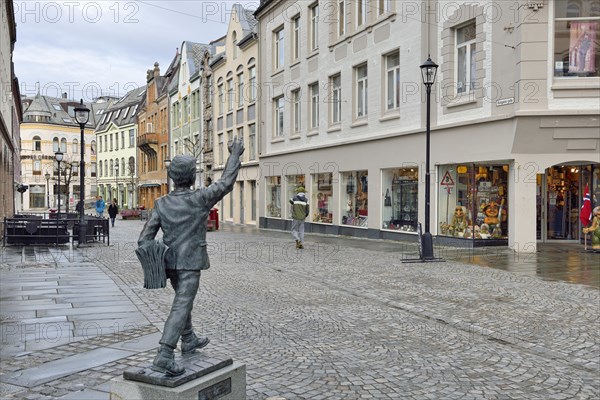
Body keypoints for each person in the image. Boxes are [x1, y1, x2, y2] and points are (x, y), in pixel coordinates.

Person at [138, 137, 244, 376]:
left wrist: (157, 261)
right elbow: (226, 182)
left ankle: (188, 338)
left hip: (170, 263)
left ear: (173, 177)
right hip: (190, 262)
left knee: (182, 299)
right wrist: (234, 155)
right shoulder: (200, 199)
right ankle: (165, 353)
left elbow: (144, 239)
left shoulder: (161, 203)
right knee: (182, 303)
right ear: (192, 177)